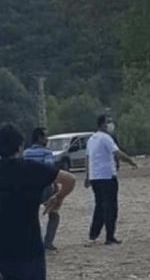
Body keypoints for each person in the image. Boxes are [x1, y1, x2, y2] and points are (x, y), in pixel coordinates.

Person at [0, 124, 76, 280]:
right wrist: (58, 197)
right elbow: (70, 179)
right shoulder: (32, 169)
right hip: (29, 244)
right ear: (20, 146)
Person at [85, 114, 138, 246]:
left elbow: (87, 158)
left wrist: (87, 176)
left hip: (95, 177)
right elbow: (117, 153)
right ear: (103, 124)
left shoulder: (92, 139)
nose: (110, 124)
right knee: (111, 207)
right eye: (108, 122)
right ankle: (110, 236)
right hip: (107, 176)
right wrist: (130, 161)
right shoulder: (105, 138)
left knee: (99, 206)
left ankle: (93, 234)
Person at [22, 128, 61, 251]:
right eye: (45, 137)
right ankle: (48, 242)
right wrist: (55, 186)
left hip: (29, 187)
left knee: (30, 215)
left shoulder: (26, 153)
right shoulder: (46, 153)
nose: (47, 139)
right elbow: (49, 170)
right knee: (53, 215)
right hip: (44, 187)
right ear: (40, 137)